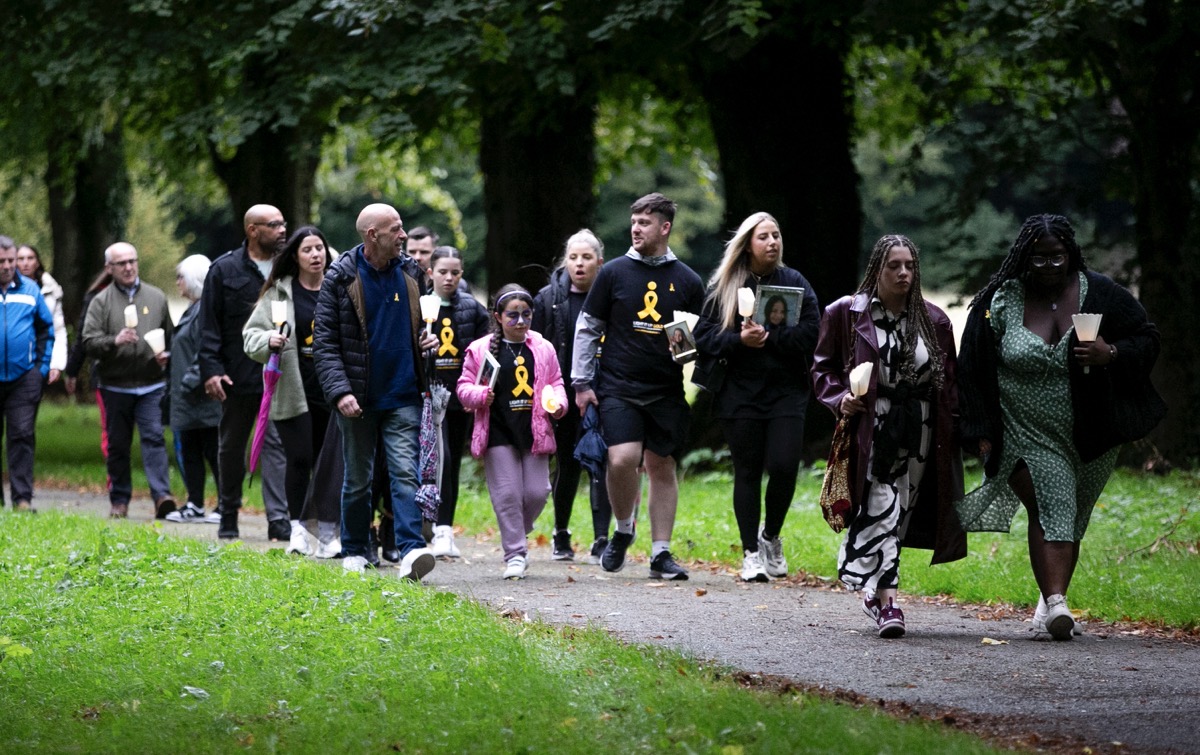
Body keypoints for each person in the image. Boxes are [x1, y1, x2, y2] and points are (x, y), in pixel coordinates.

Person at [957, 214, 1165, 640]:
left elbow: (1147, 338)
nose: (1049, 266)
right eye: (1039, 258)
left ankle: (1048, 604)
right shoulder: (999, 300)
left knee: (1071, 516)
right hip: (1024, 430)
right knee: (1053, 504)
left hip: (1091, 434)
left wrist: (1111, 354)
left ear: (1070, 254)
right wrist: (978, 431)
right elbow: (971, 367)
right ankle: (1056, 604)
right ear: (1024, 257)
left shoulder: (1101, 293)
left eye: (1057, 257)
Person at [811, 234, 966, 638]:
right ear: (876, 270)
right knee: (883, 503)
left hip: (920, 427)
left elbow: (950, 384)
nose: (903, 273)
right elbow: (822, 368)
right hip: (873, 426)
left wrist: (960, 432)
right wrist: (840, 399)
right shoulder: (847, 313)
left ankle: (873, 589)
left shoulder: (935, 321)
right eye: (893, 266)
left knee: (902, 509)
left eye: (909, 266)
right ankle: (889, 604)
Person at [572, 192, 705, 580]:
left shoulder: (687, 280)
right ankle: (623, 528)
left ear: (665, 227)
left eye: (644, 223)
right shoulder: (613, 272)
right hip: (618, 385)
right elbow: (588, 328)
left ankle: (661, 553)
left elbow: (689, 342)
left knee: (662, 464)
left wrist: (684, 350)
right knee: (621, 459)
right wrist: (581, 383)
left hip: (665, 389)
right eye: (633, 221)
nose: (635, 228)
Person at [693, 212, 820, 582]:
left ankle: (771, 537)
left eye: (776, 235)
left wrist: (771, 337)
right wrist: (739, 340)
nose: (772, 242)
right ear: (748, 244)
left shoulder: (794, 282)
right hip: (739, 394)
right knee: (747, 471)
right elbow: (703, 337)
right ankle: (751, 553)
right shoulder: (725, 285)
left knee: (784, 466)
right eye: (764, 236)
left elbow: (813, 332)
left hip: (786, 393)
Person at [313, 203, 438, 579]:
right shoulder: (340, 277)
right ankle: (354, 549)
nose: (404, 236)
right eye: (396, 229)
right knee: (358, 479)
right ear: (372, 235)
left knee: (405, 475)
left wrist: (426, 342)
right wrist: (340, 392)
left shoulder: (412, 273)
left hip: (403, 393)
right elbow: (325, 343)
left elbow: (419, 326)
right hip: (358, 398)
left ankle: (411, 551)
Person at [459, 285, 568, 579]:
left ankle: (516, 529)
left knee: (537, 492)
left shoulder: (543, 348)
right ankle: (516, 554)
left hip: (534, 430)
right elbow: (464, 387)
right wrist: (481, 396)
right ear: (498, 316)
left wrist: (559, 404)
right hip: (498, 431)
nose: (520, 322)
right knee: (507, 494)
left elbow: (556, 382)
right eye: (512, 315)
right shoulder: (481, 349)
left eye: (526, 315)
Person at [199, 204, 290, 541]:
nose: (282, 230)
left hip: (280, 375)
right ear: (253, 230)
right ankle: (228, 511)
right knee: (231, 446)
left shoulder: (288, 266)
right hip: (236, 376)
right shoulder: (224, 269)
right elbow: (208, 325)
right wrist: (211, 370)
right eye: (274, 225)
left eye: (283, 223)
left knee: (277, 445)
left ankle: (279, 518)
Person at [243, 226, 335, 556]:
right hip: (293, 390)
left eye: (319, 248)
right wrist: (268, 340)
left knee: (327, 464)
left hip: (332, 390)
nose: (315, 255)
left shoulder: (339, 289)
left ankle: (326, 531)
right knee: (299, 459)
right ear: (295, 257)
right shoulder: (279, 294)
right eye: (307, 249)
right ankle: (298, 529)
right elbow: (250, 336)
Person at [532, 229, 613, 563]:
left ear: (600, 262)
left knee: (603, 463)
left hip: (606, 392)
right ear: (565, 261)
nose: (579, 264)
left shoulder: (612, 296)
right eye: (573, 257)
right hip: (562, 395)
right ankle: (561, 533)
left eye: (586, 257)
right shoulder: (547, 299)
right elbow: (535, 348)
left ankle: (602, 538)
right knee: (566, 464)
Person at [82, 242, 176, 519]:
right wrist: (114, 341)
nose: (128, 267)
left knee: (154, 438)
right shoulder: (101, 301)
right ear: (109, 268)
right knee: (118, 444)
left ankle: (162, 497)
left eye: (132, 261)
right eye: (121, 263)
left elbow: (171, 336)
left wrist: (167, 355)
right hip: (115, 384)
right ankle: (120, 500)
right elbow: (88, 342)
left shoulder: (156, 297)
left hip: (151, 383)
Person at [425, 246, 491, 559]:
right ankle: (425, 523)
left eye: (455, 272)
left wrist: (476, 390)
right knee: (437, 460)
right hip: (427, 396)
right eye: (442, 272)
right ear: (431, 273)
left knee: (450, 462)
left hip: (459, 398)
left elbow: (485, 352)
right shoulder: (419, 305)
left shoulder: (472, 309)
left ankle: (444, 528)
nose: (449, 278)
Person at [166, 254, 222, 524]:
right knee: (190, 452)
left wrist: (189, 382)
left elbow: (208, 351)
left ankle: (225, 504)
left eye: (181, 277)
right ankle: (195, 503)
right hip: (186, 397)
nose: (177, 282)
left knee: (213, 451)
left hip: (202, 395)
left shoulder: (205, 311)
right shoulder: (192, 310)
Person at [0, 235, 54, 511]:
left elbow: (46, 329)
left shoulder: (30, 290)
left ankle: (22, 498)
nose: (8, 266)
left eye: (11, 260)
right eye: (2, 261)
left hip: (23, 378)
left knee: (21, 435)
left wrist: (40, 370)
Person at [15, 245, 67, 386]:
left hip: (40, 357)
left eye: (30, 258)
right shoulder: (6, 290)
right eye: (21, 259)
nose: (25, 263)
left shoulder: (51, 290)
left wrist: (56, 364)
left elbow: (58, 329)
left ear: (37, 262)